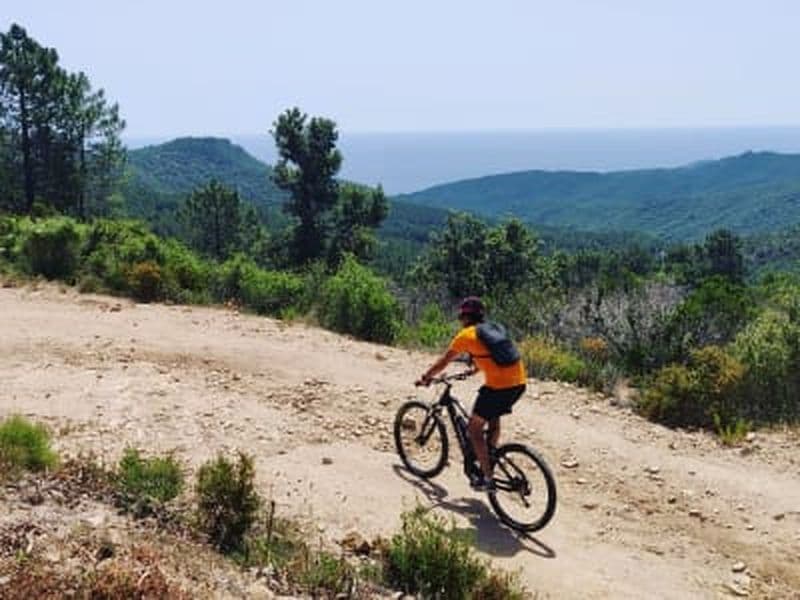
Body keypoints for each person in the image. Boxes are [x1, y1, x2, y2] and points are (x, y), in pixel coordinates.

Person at [416, 297, 527, 492]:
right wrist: (474, 370)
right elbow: (491, 355)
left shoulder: (466, 335)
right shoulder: (493, 328)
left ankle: (487, 478)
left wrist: (426, 377)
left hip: (498, 387)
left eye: (461, 317)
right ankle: (489, 456)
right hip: (518, 383)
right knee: (492, 419)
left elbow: (444, 361)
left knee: (474, 430)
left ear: (464, 317)